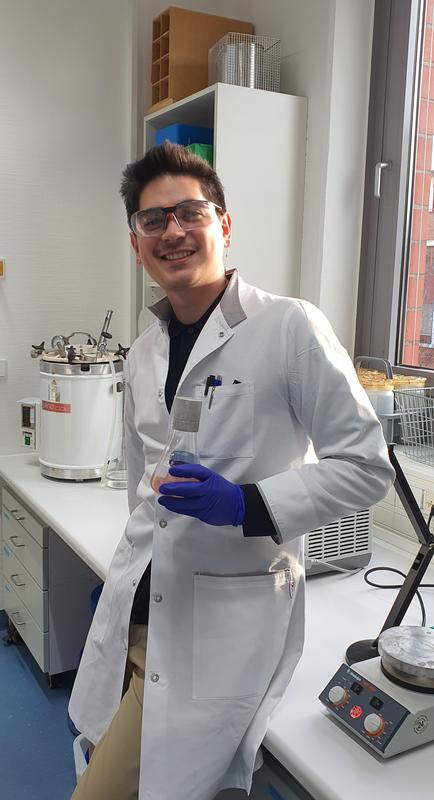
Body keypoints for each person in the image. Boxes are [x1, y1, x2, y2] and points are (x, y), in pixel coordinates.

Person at [69, 142, 394, 800]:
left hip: (220, 625)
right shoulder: (145, 349)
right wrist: (122, 578)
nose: (173, 231)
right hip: (140, 610)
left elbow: (365, 467)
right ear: (137, 245)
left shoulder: (288, 328)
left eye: (190, 212)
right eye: (152, 221)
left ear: (224, 224)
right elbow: (142, 490)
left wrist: (249, 505)